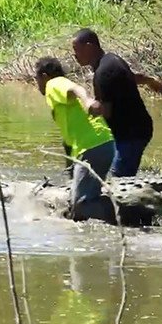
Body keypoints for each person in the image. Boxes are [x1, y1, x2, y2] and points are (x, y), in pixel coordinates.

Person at [72, 28, 162, 177]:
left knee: (119, 179)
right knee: (118, 174)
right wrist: (149, 81)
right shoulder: (111, 59)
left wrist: (88, 107)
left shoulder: (103, 72)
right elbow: (128, 77)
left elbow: (106, 111)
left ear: (89, 47)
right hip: (136, 128)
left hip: (131, 133)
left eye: (76, 49)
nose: (74, 55)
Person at [35, 57, 116, 223]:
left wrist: (87, 100)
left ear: (44, 76)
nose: (37, 84)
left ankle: (128, 216)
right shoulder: (58, 101)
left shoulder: (54, 83)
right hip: (97, 144)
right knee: (79, 199)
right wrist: (70, 174)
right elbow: (68, 141)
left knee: (80, 206)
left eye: (36, 79)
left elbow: (76, 89)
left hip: (93, 146)